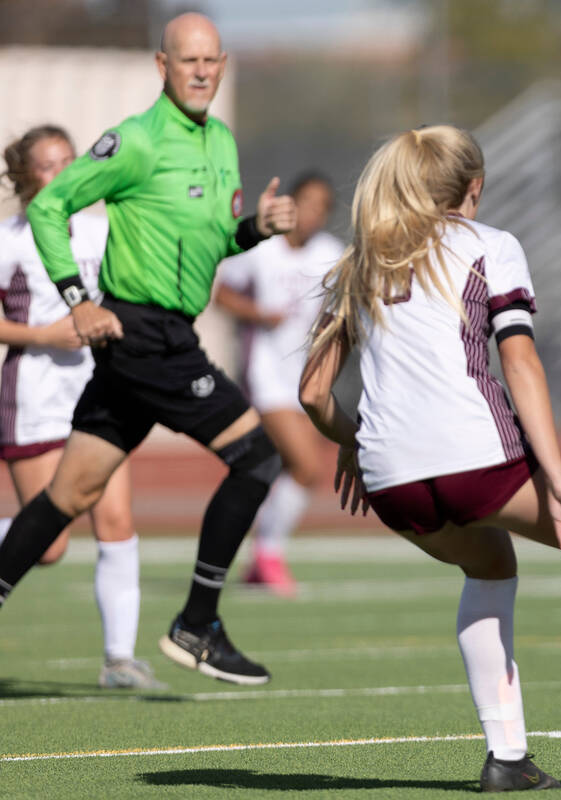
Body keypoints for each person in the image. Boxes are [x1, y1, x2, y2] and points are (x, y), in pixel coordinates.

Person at [299, 126, 561, 791]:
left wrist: (354, 447)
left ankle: (506, 759)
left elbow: (312, 395)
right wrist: (554, 479)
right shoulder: (489, 244)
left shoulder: (364, 258)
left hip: (390, 481)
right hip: (475, 457)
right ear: (473, 188)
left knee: (491, 564)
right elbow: (519, 360)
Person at [0, 12, 296, 687]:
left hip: (165, 335)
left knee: (64, 496)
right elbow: (51, 208)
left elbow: (211, 241)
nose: (199, 71)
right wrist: (78, 297)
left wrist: (255, 229)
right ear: (162, 67)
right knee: (256, 459)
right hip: (145, 336)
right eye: (185, 60)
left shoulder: (220, 141)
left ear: (221, 65)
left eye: (210, 61)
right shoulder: (133, 141)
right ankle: (197, 622)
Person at [0, 125, 164, 690]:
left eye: (71, 161)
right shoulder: (9, 240)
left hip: (100, 394)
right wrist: (42, 335)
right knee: (47, 544)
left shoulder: (103, 230)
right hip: (35, 394)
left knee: (116, 520)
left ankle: (120, 659)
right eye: (50, 165)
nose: (66, 172)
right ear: (26, 179)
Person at [214, 172, 342, 597]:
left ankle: (257, 560)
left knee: (286, 470)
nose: (312, 214)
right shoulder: (262, 249)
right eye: (306, 202)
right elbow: (221, 294)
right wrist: (258, 313)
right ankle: (267, 555)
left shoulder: (330, 253)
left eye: (322, 207)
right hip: (265, 376)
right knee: (307, 467)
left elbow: (340, 306)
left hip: (305, 378)